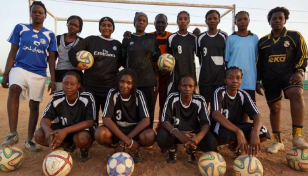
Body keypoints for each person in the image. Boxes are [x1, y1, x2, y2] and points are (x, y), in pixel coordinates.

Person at [1, 1, 57, 152]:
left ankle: (29, 140)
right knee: (14, 89)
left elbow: (51, 59)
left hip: (39, 73)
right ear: (31, 14)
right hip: (20, 67)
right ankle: (12, 133)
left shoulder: (50, 34)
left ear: (45, 16)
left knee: (34, 105)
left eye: (40, 12)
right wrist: (6, 73)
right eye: (34, 12)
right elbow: (13, 52)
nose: (37, 14)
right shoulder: (21, 28)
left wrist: (52, 79)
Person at [257, 7, 308, 154]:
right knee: (275, 109)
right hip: (270, 78)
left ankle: (297, 135)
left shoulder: (294, 36)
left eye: (280, 18)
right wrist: (257, 81)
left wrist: (300, 70)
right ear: (269, 21)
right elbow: (259, 63)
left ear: (285, 20)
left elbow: (303, 55)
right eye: (274, 18)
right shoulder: (263, 42)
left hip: (289, 75)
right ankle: (277, 141)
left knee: (297, 94)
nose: (277, 20)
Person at [94, 69, 156, 163]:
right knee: (100, 133)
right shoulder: (113, 93)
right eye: (122, 81)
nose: (124, 85)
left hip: (134, 132)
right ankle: (117, 148)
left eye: (129, 83)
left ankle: (133, 148)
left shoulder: (139, 94)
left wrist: (125, 141)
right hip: (117, 131)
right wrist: (127, 141)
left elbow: (146, 120)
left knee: (150, 135)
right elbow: (106, 119)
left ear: (133, 84)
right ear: (118, 82)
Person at [68, 17, 122, 121]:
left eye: (109, 25)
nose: (106, 27)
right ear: (99, 27)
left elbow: (122, 61)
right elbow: (72, 52)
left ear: (113, 28)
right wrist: (77, 64)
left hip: (109, 87)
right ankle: (91, 136)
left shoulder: (117, 44)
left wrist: (110, 67)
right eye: (103, 25)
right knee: (91, 118)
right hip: (90, 87)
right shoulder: (91, 40)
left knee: (110, 118)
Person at [34, 71, 96, 162]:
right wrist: (48, 131)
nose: (68, 87)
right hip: (63, 129)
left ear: (78, 85)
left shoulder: (87, 97)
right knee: (39, 135)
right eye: (65, 83)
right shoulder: (57, 97)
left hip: (81, 131)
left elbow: (90, 122)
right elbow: (45, 118)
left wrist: (66, 130)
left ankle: (84, 149)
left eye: (72, 84)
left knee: (81, 138)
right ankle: (68, 145)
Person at [156, 75, 217, 165]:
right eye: (184, 85)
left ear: (194, 88)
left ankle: (192, 149)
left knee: (212, 143)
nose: (187, 89)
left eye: (190, 86)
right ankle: (172, 149)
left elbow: (206, 123)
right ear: (179, 87)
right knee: (161, 136)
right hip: (176, 133)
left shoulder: (199, 100)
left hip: (193, 133)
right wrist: (179, 135)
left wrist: (198, 137)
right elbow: (165, 121)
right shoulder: (172, 98)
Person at [212, 67, 270, 157]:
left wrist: (254, 131)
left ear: (241, 80)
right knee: (230, 135)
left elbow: (256, 115)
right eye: (231, 78)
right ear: (225, 80)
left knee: (262, 131)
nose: (235, 81)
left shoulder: (243, 94)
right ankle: (215, 146)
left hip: (237, 125)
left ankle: (238, 146)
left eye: (238, 78)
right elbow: (216, 114)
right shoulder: (220, 92)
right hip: (221, 126)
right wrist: (238, 131)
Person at [122, 12, 161, 129]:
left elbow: (156, 61)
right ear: (134, 22)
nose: (141, 22)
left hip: (149, 82)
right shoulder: (127, 39)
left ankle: (147, 135)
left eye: (144, 20)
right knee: (132, 108)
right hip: (132, 82)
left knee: (149, 109)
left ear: (147, 24)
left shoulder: (152, 39)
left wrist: (156, 80)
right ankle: (133, 134)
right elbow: (123, 60)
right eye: (139, 20)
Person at [225, 11, 259, 122]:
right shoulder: (231, 38)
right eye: (239, 20)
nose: (242, 22)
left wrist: (258, 81)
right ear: (235, 22)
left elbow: (256, 58)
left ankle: (243, 128)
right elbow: (227, 60)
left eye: (245, 19)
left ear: (249, 20)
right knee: (233, 105)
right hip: (233, 79)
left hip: (249, 78)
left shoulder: (254, 38)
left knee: (246, 107)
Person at [196, 10, 228, 106]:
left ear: (219, 20)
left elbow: (226, 57)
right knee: (204, 104)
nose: (212, 21)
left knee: (217, 105)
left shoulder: (224, 36)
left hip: (220, 78)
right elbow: (200, 57)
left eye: (215, 18)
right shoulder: (200, 37)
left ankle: (215, 121)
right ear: (206, 21)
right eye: (209, 19)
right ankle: (205, 121)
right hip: (205, 78)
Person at [167, 11, 196, 94]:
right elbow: (168, 57)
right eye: (180, 19)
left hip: (190, 76)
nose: (183, 21)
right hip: (174, 77)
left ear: (188, 21)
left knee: (189, 103)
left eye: (185, 19)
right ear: (177, 21)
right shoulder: (171, 38)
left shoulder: (194, 38)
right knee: (173, 101)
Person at [55, 15, 83, 91]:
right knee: (59, 99)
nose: (73, 27)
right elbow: (52, 58)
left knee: (74, 100)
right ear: (67, 24)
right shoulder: (58, 39)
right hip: (59, 74)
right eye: (71, 24)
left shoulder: (81, 41)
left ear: (79, 29)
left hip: (75, 74)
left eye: (76, 26)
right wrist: (52, 79)